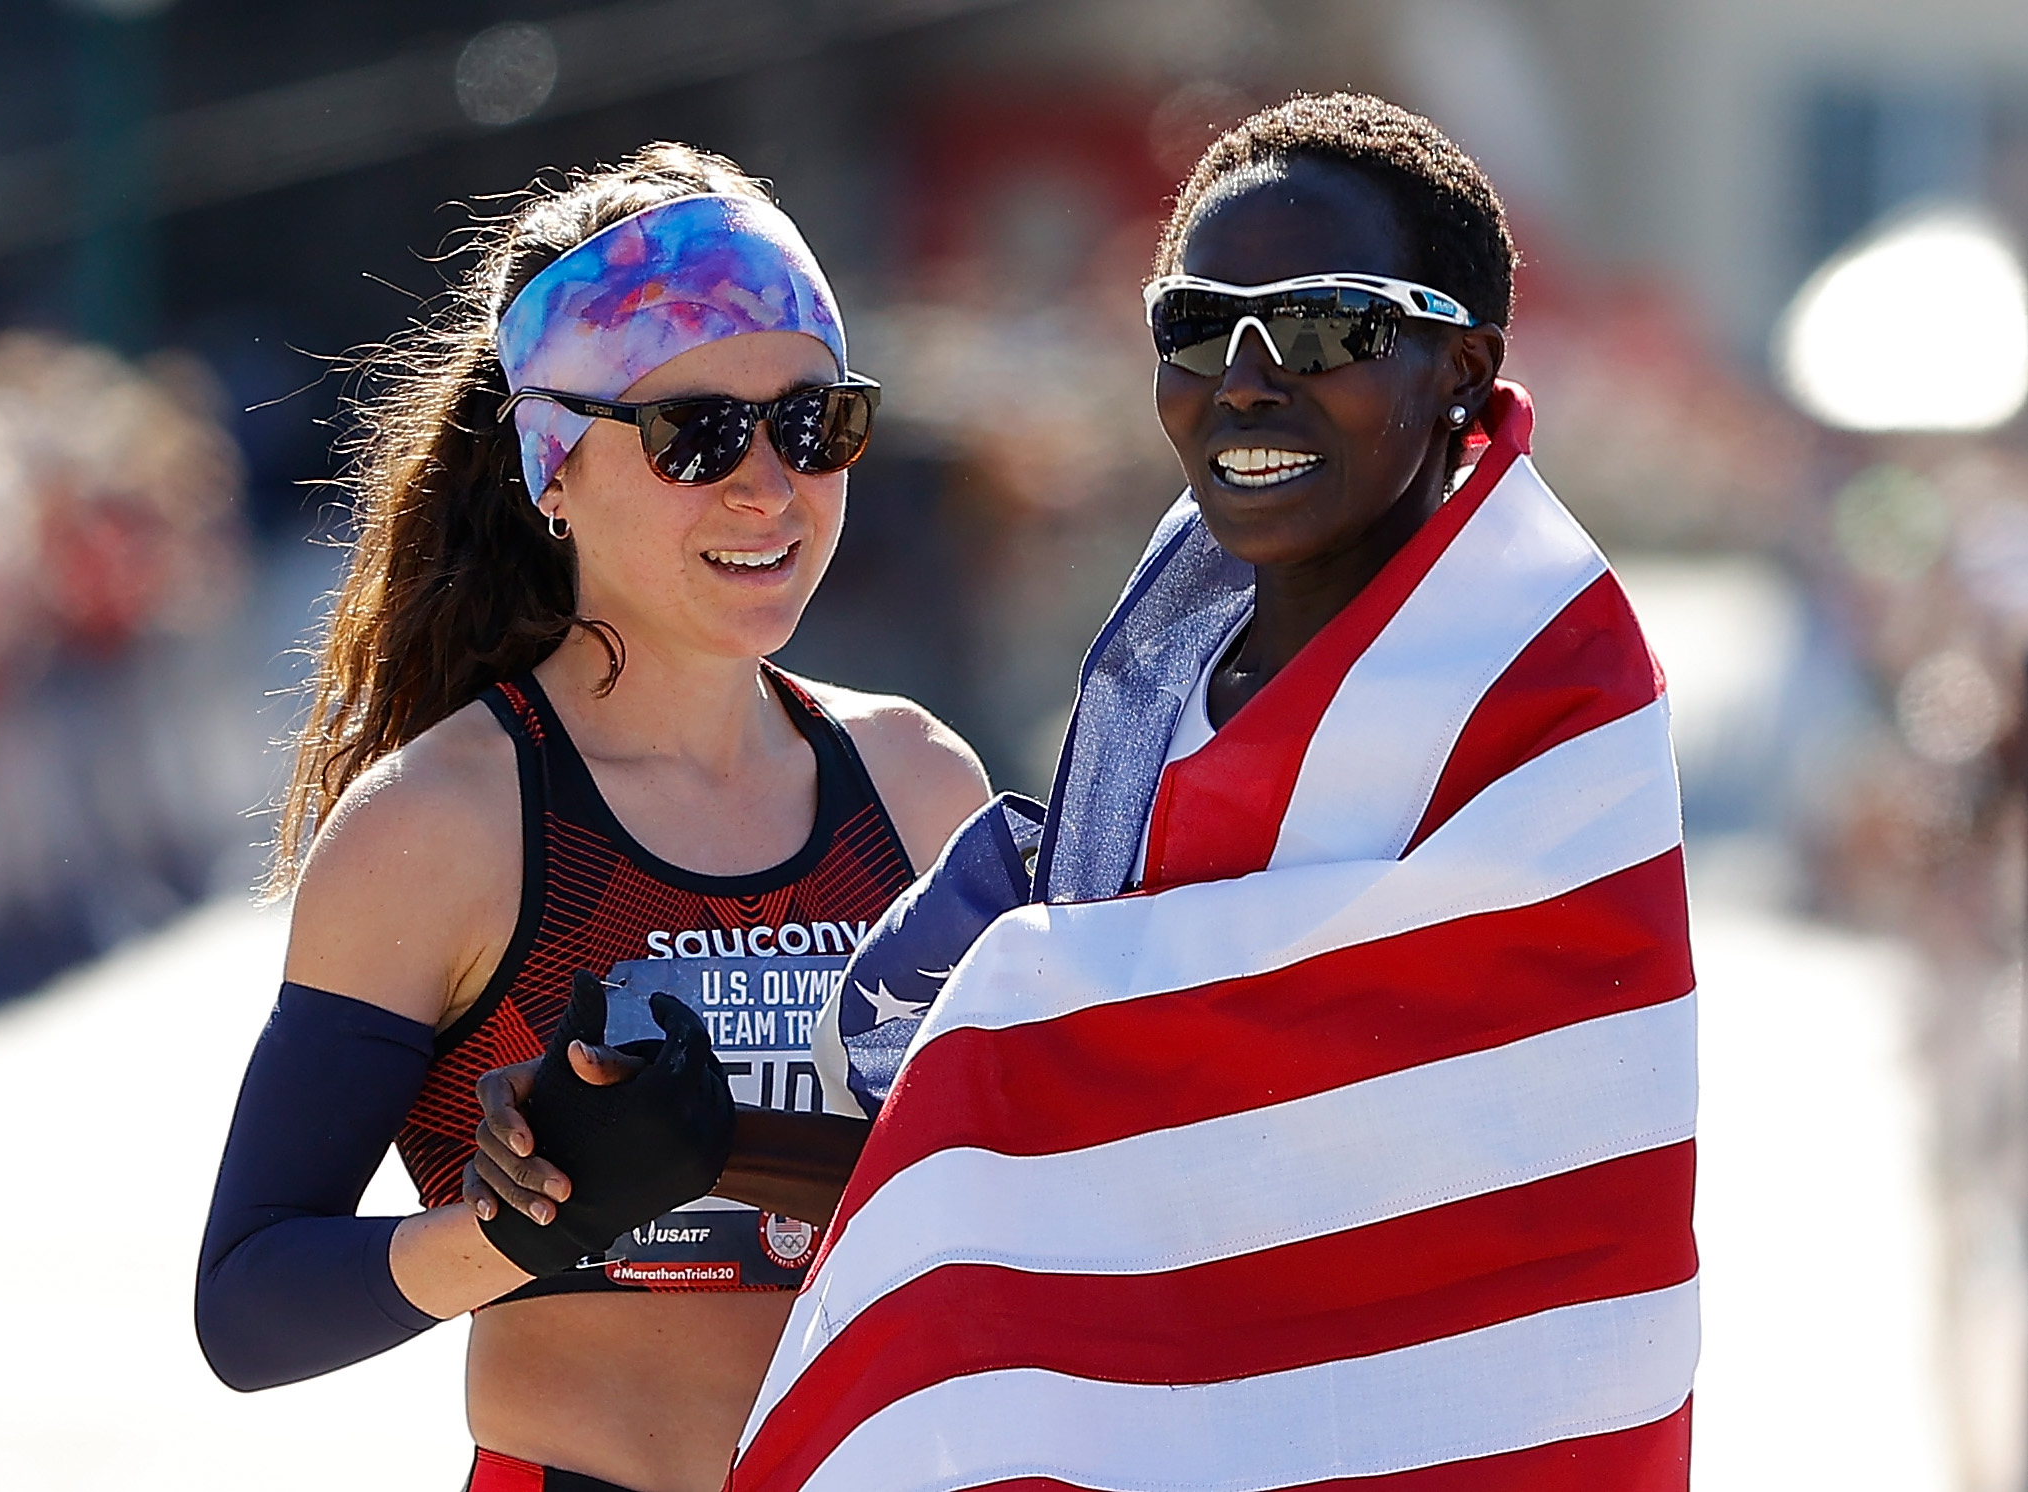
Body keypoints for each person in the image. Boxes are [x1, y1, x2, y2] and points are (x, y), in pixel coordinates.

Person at [484, 94, 1697, 1491]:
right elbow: (1045, 1158)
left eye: (1321, 330)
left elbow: (1171, 1133)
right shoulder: (1153, 702)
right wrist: (678, 1144)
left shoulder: (1539, 695)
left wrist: (996, 1002)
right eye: (1194, 327)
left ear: (1461, 367)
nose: (1245, 381)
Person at [194, 144, 990, 1492]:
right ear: (549, 467)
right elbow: (250, 1301)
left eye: (813, 423)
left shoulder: (918, 789)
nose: (766, 486)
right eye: (694, 433)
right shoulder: (443, 826)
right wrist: (521, 1224)